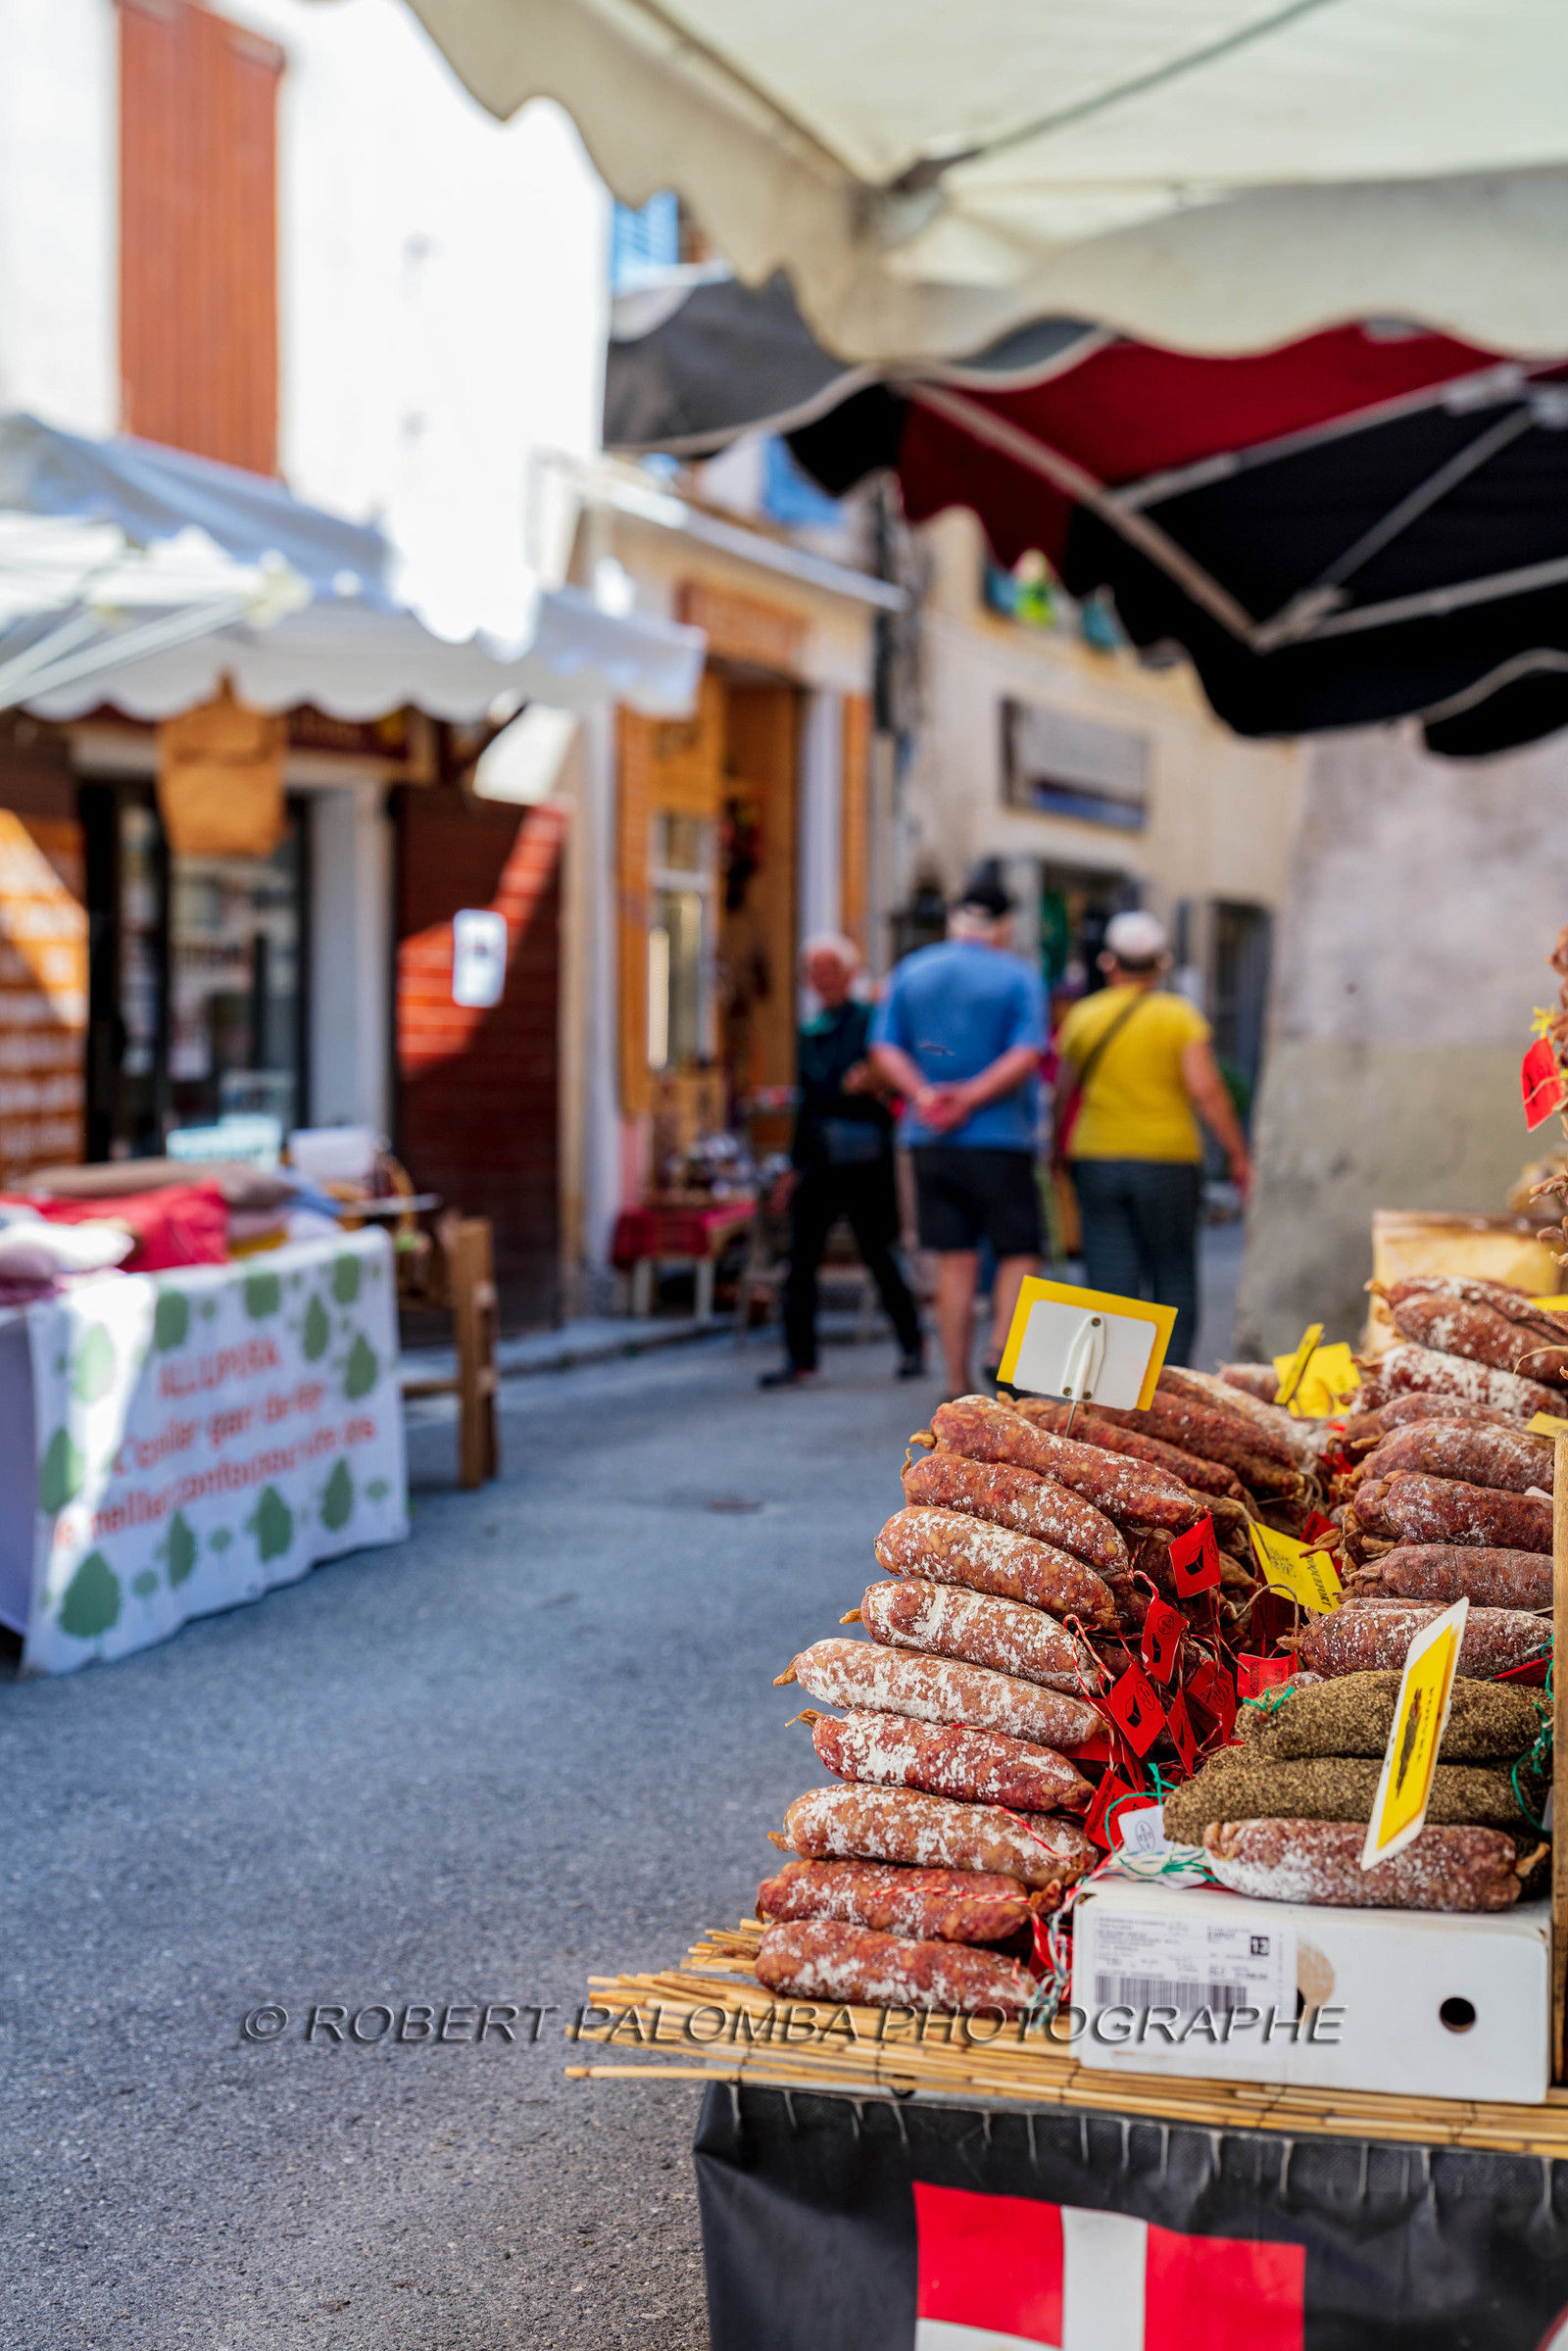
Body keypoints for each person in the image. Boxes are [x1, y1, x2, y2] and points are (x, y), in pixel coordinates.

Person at [1052, 908, 1251, 1369]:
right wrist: (1238, 1155)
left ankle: (1118, 1384)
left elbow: (1063, 1093)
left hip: (1097, 1155)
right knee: (1173, 1267)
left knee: (1111, 1274)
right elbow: (1207, 1091)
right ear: (1160, 964)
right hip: (1168, 1159)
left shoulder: (1084, 1015)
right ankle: (1170, 1380)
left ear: (1108, 963)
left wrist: (1056, 1153)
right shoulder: (1179, 1016)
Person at [869, 876, 1044, 1399]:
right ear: (1005, 924)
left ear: (954, 919)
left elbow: (884, 1048)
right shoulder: (1018, 975)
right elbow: (1027, 1052)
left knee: (953, 1257)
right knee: (1019, 1250)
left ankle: (955, 1381)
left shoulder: (912, 970)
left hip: (929, 1138)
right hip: (1000, 1138)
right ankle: (999, 1349)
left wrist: (924, 1095)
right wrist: (969, 1097)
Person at [758, 933, 925, 1391]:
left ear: (850, 975)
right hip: (818, 1159)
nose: (824, 979)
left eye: (832, 970)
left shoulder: (873, 1022)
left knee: (878, 1255)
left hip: (865, 1159)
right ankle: (800, 1358)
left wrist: (875, 1081)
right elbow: (806, 1103)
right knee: (801, 1259)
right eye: (816, 971)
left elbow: (905, 1073)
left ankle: (913, 1345)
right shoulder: (810, 1032)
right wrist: (791, 1168)